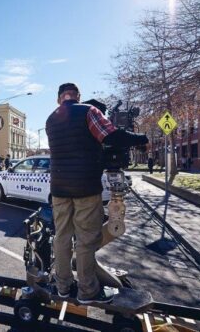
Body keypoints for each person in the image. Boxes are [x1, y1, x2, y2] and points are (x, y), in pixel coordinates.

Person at [46, 83, 147, 304]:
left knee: (61, 237)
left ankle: (62, 287)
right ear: (78, 97)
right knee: (86, 240)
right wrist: (140, 138)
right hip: (85, 187)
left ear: (59, 98)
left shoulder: (51, 119)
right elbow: (111, 136)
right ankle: (87, 291)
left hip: (59, 189)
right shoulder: (88, 111)